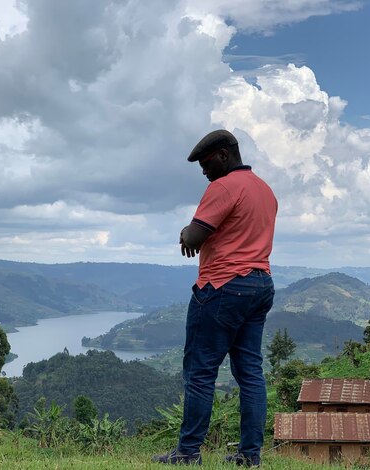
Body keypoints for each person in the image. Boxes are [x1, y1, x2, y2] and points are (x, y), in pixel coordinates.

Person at [154, 129, 277, 467]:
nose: (204, 172)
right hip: (260, 283)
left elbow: (193, 237)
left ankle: (188, 452)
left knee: (200, 372)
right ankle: (250, 455)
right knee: (250, 372)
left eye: (207, 163)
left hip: (223, 286)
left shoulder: (223, 187)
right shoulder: (265, 190)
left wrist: (184, 232)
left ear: (224, 155)